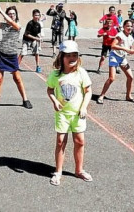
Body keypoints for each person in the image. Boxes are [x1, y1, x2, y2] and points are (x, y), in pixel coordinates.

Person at [47, 40, 93, 186]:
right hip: (62, 114)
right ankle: (58, 171)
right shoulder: (55, 75)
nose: (72, 58)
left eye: (75, 55)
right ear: (61, 57)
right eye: (68, 55)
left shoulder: (81, 73)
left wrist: (84, 107)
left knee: (80, 141)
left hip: (78, 114)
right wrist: (54, 100)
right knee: (61, 141)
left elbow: (88, 91)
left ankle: (79, 170)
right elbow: (49, 90)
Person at [0, 4, 33, 111]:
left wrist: (1, 11)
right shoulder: (4, 25)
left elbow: (13, 24)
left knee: (17, 78)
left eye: (13, 14)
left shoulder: (18, 25)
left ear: (16, 16)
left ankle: (25, 99)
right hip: (1, 53)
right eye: (10, 14)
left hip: (12, 55)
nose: (11, 15)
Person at [97, 20, 134, 104]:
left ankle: (128, 96)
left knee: (130, 77)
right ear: (123, 27)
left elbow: (129, 50)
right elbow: (113, 46)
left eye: (131, 26)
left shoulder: (131, 38)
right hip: (114, 56)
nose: (129, 28)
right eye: (127, 26)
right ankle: (101, 95)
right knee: (112, 78)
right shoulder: (120, 35)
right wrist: (125, 49)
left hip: (122, 58)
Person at [18, 9, 42, 73]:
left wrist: (40, 38)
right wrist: (36, 38)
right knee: (23, 53)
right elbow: (26, 34)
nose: (37, 16)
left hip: (33, 40)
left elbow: (38, 33)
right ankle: (16, 67)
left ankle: (38, 66)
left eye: (38, 15)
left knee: (37, 53)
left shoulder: (38, 25)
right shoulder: (30, 23)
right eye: (35, 15)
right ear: (33, 16)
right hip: (26, 40)